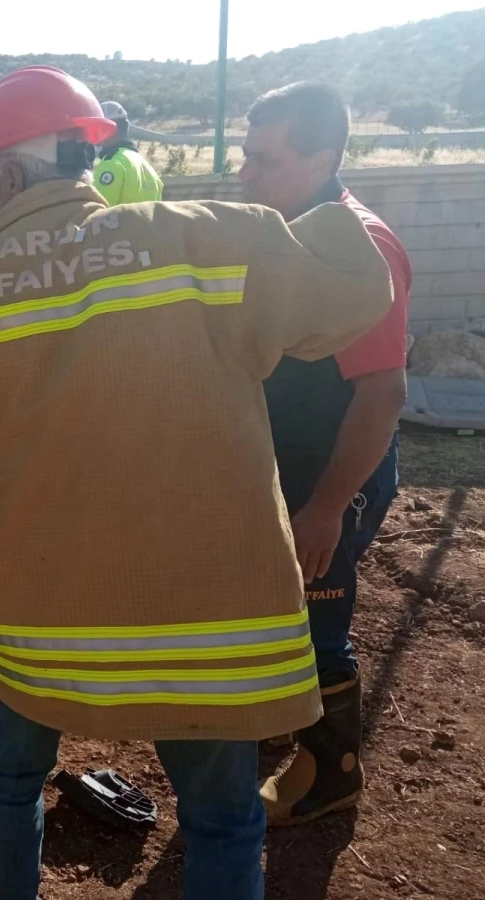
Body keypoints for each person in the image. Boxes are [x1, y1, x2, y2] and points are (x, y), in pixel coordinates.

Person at [0, 65, 394, 900]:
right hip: (205, 632)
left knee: (10, 779)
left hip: (37, 630)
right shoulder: (207, 238)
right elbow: (357, 288)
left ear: (9, 175)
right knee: (222, 820)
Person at [240, 82, 412, 825]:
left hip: (331, 476)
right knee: (271, 605)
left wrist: (326, 508)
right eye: (244, 155)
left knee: (315, 620)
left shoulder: (360, 249)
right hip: (287, 466)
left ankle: (332, 766)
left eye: (264, 160)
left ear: (320, 159)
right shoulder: (287, 228)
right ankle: (278, 715)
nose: (244, 173)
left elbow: (382, 395)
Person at [92, 100, 163, 205]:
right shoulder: (151, 171)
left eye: (98, 129)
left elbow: (98, 212)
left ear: (109, 129)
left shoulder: (112, 162)